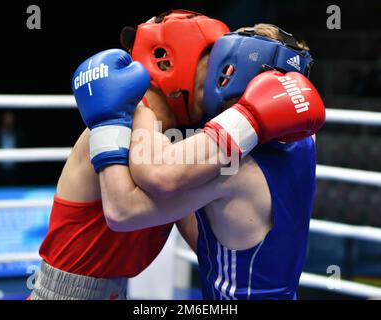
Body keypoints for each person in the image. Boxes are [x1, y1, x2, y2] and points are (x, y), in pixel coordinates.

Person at [73, 23, 325, 300]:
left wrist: (112, 119)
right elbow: (212, 241)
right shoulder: (302, 142)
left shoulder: (235, 168)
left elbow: (123, 211)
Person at [30, 10, 229, 300]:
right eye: (210, 58)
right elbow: (121, 213)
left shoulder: (174, 141)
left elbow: (206, 245)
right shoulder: (118, 124)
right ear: (167, 60)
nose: (222, 73)